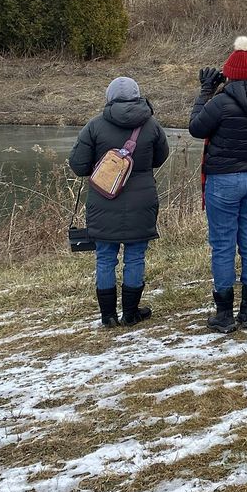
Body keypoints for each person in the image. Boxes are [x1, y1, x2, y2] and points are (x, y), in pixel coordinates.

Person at [188, 37, 247, 333]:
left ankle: (225, 315)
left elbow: (196, 127)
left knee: (224, 245)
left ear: (229, 74)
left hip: (223, 180)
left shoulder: (221, 102)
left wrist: (205, 90)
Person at [69, 77, 170, 327]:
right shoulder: (152, 125)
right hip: (143, 201)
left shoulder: (94, 126)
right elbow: (161, 157)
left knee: (105, 258)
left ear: (109, 98)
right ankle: (131, 313)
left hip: (104, 200)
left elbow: (78, 165)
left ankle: (108, 316)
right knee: (135, 257)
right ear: (137, 97)